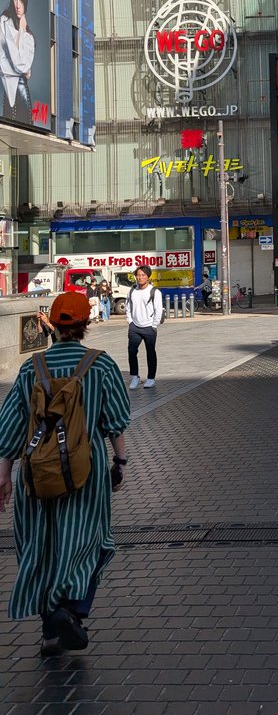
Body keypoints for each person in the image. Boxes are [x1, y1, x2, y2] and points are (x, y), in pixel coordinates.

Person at [0, 292, 130, 656]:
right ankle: (69, 612)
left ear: (53, 325)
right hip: (84, 473)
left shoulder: (31, 368)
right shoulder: (101, 366)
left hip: (35, 473)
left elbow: (9, 426)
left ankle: (50, 632)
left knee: (42, 547)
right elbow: (115, 422)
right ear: (86, 324)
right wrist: (119, 464)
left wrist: (4, 474)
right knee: (88, 543)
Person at [0, 0, 36, 125]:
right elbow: (8, 65)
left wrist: (22, 32)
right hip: (9, 92)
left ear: (25, 0)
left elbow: (21, 64)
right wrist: (21, 69)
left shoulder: (29, 35)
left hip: (22, 93)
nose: (18, 5)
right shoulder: (4, 22)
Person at [125, 265, 163, 389]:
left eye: (143, 275)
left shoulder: (154, 292)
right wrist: (130, 321)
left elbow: (158, 310)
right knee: (131, 351)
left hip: (149, 327)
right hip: (134, 327)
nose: (140, 277)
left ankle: (151, 378)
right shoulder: (131, 291)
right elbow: (128, 307)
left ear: (148, 277)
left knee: (150, 352)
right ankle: (134, 377)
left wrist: (154, 325)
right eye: (138, 275)